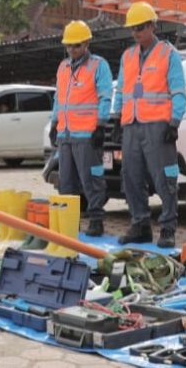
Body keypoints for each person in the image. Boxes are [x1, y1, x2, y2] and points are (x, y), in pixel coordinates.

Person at [111, 2, 186, 248]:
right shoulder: (128, 56)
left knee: (164, 178)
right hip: (132, 126)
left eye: (141, 27)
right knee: (131, 177)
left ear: (153, 25)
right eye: (133, 28)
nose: (136, 32)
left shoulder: (168, 54)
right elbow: (122, 90)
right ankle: (140, 224)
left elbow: (178, 92)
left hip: (158, 126)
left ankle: (167, 228)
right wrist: (116, 118)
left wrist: (174, 122)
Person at [49, 20, 113, 237]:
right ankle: (70, 223)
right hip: (66, 135)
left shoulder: (98, 65)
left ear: (86, 43)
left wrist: (101, 125)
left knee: (92, 179)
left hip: (87, 135)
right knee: (66, 181)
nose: (72, 49)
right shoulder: (62, 67)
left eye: (76, 45)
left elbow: (105, 96)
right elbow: (59, 97)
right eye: (69, 45)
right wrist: (54, 122)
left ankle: (96, 219)